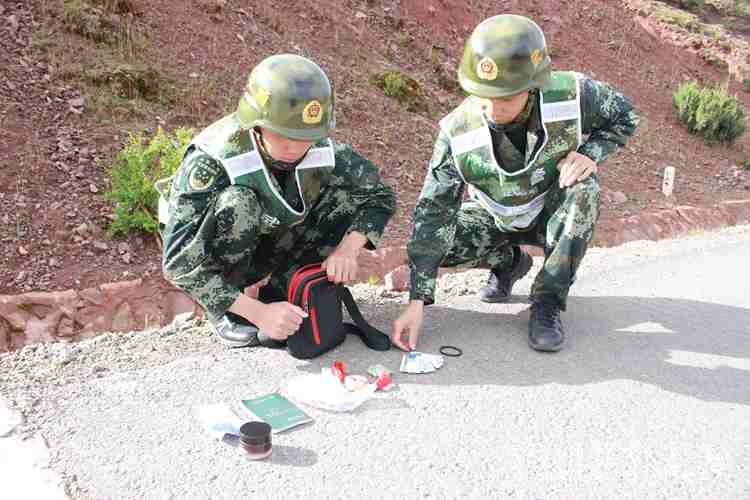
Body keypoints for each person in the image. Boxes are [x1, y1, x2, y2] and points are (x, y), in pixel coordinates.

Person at [392, 14, 639, 353]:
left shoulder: (570, 94)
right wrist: (417, 300)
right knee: (431, 246)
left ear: (532, 85)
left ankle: (547, 302)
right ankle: (509, 263)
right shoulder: (457, 131)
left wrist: (590, 154)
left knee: (585, 189)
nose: (492, 109)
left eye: (505, 98)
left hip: (550, 213)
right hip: (494, 217)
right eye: (483, 95)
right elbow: (433, 213)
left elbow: (625, 115)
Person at [158, 54, 396, 348]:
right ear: (257, 124)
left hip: (269, 239)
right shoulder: (212, 160)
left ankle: (285, 288)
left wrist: (348, 249)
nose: (294, 148)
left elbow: (380, 196)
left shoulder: (320, 148)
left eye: (304, 138)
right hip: (218, 252)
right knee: (239, 203)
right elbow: (178, 262)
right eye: (283, 136)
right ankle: (230, 310)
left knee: (343, 195)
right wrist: (257, 313)